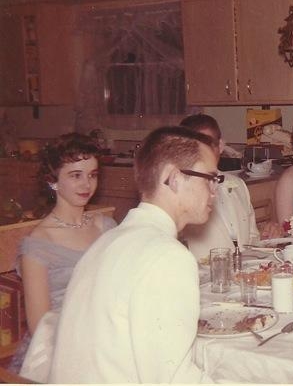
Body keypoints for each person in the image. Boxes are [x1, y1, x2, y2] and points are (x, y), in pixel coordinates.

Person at [49, 126, 217, 383]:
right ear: (174, 178)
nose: (214, 191)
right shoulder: (167, 256)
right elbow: (171, 380)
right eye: (210, 178)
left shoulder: (108, 241)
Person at [10, 133, 117, 379]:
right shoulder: (38, 244)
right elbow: (41, 328)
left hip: (109, 334)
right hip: (62, 348)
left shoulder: (107, 226)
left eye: (92, 175)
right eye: (75, 175)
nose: (86, 184)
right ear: (53, 181)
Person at [179, 114, 282, 259]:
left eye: (208, 145)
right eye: (193, 147)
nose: (201, 153)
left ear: (220, 146)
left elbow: (251, 241)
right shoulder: (179, 194)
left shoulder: (238, 186)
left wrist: (267, 238)